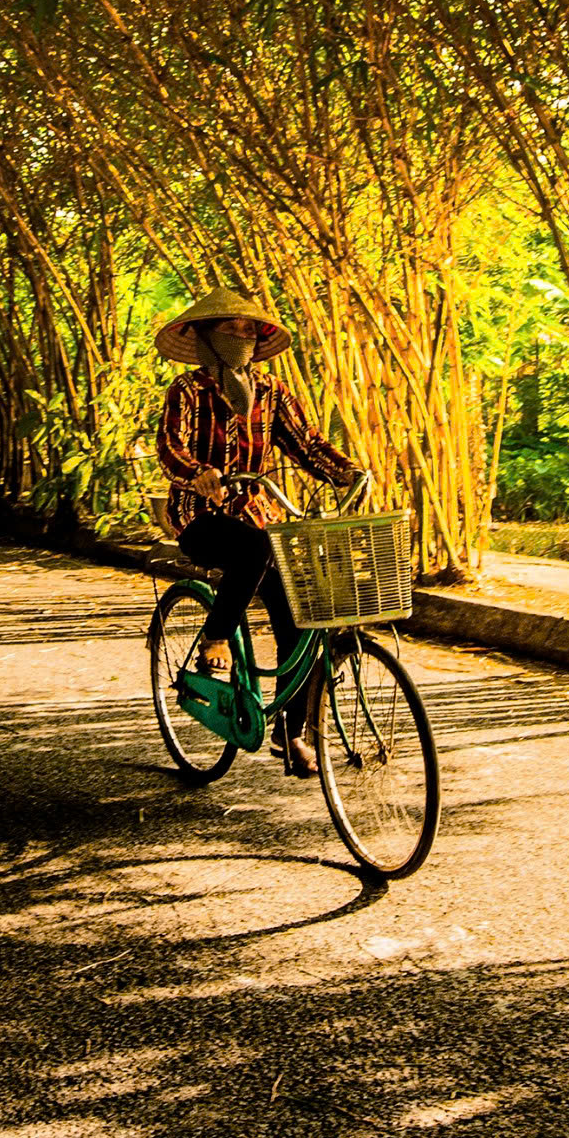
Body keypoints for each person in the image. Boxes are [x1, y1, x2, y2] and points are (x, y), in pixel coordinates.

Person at [153, 286, 365, 775]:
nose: (244, 335)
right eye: (232, 327)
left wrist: (346, 471)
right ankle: (215, 638)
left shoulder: (271, 392)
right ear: (206, 335)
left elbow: (306, 443)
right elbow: (170, 447)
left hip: (258, 515)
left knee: (300, 612)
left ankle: (291, 736)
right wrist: (197, 474)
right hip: (199, 517)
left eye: (250, 329)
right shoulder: (187, 391)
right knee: (253, 550)